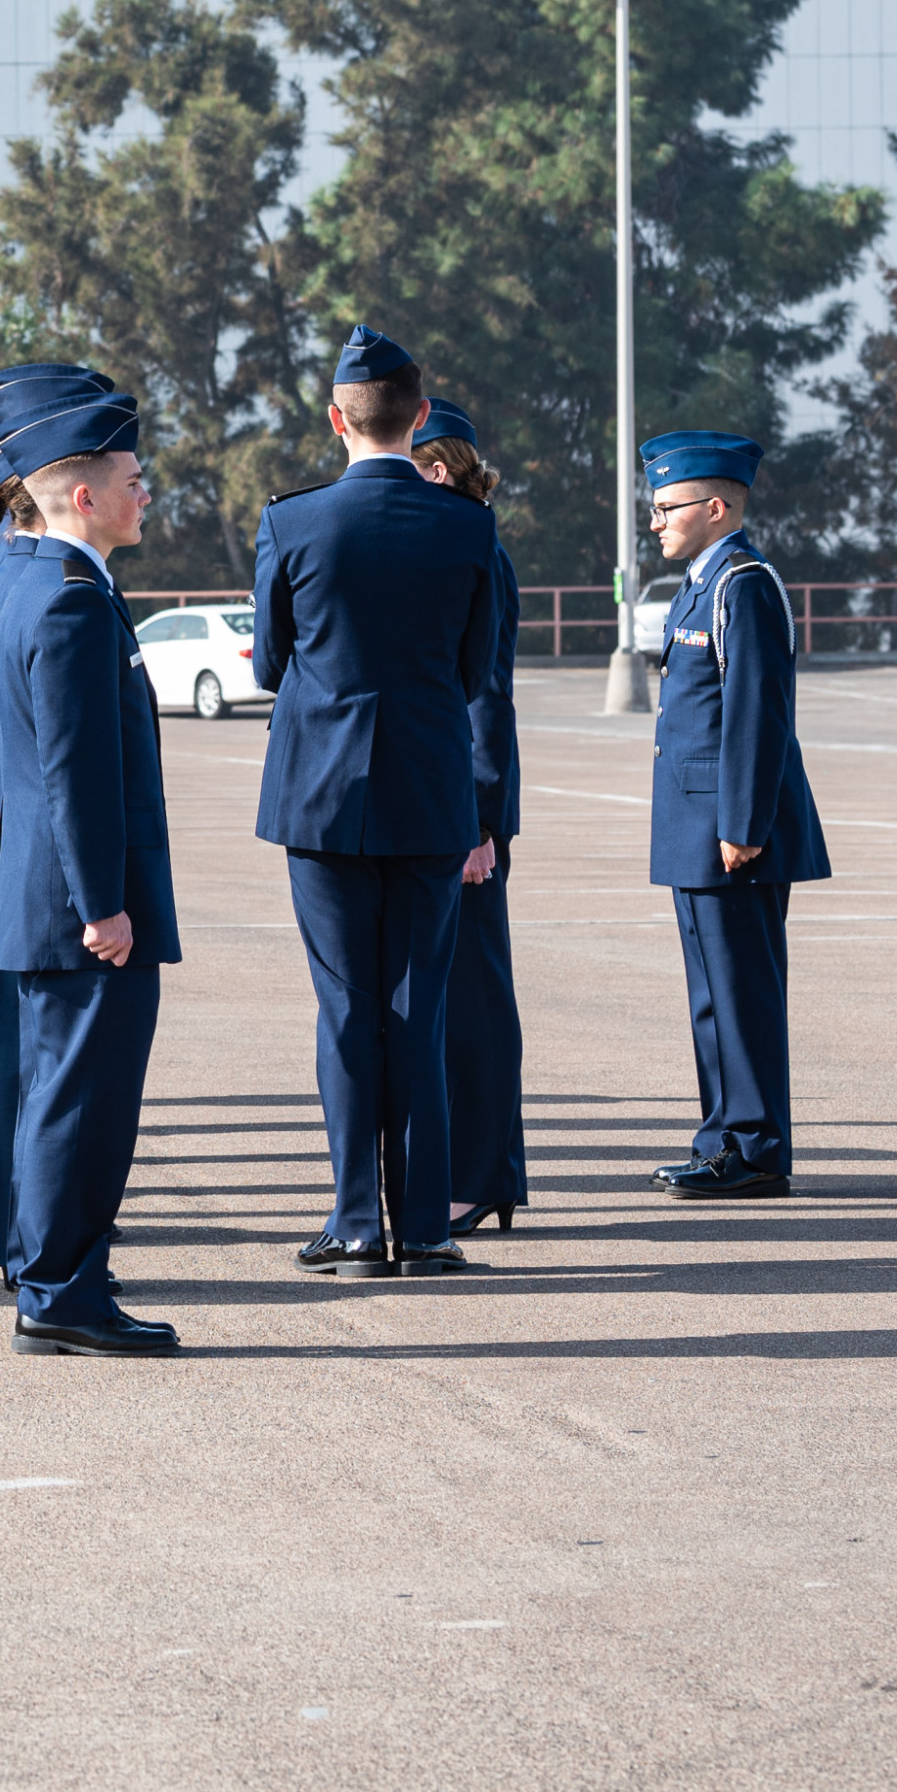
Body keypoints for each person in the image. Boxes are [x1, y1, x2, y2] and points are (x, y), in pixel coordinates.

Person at [250, 326, 499, 1280]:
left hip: (322, 792)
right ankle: (426, 1225)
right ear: (421, 416)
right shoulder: (470, 527)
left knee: (347, 1008)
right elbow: (474, 669)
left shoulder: (294, 521)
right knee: (419, 1009)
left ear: (336, 417)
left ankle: (358, 1219)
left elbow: (272, 662)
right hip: (432, 787)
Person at [0, 390, 182, 1356]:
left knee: (60, 1092)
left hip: (48, 889)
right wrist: (103, 902)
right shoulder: (66, 596)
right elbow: (73, 769)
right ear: (85, 496)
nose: (147, 495)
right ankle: (61, 1289)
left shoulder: (28, 574)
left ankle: (57, 1271)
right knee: (84, 1100)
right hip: (81, 902)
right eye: (134, 482)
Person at [639, 430, 832, 1198]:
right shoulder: (702, 581)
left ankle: (754, 1147)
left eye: (667, 507)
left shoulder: (742, 584)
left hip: (731, 833)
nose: (655, 520)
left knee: (742, 991)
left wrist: (743, 825)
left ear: (716, 507)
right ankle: (723, 1135)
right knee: (713, 992)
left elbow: (757, 714)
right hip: (699, 828)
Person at [0, 364, 108, 1257]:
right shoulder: (33, 579)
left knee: (21, 1061)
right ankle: (34, 1245)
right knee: (35, 1066)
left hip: (10, 833)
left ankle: (17, 1227)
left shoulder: (8, 566)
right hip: (32, 845)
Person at [413, 400, 528, 1236]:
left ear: (440, 470)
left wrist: (479, 822)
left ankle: (485, 1174)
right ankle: (473, 1169)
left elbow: (487, 700)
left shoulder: (475, 548)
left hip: (469, 814)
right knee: (454, 997)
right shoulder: (457, 543)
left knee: (476, 997)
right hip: (452, 804)